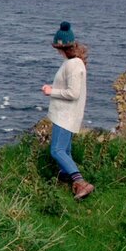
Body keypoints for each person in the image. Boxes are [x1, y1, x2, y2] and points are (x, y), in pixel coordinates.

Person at [41, 21, 94, 200]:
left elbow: (73, 93)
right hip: (68, 114)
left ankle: (81, 183)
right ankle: (65, 180)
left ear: (61, 46)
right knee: (66, 150)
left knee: (57, 150)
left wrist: (51, 91)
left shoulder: (73, 65)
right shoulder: (74, 62)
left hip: (66, 115)